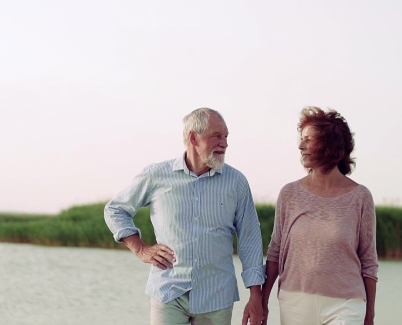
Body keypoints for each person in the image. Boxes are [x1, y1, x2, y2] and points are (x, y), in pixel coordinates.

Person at [104, 108, 266, 325]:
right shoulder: (156, 175)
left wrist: (256, 297)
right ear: (193, 137)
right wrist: (141, 249)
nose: (225, 143)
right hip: (168, 292)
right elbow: (115, 209)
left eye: (226, 136)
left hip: (217, 297)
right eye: (217, 136)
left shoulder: (236, 182)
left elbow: (250, 239)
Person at [261, 106, 378, 325]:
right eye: (301, 139)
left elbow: (369, 261)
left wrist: (369, 314)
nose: (300, 145)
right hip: (295, 301)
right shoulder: (289, 194)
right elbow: (275, 252)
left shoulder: (360, 197)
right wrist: (262, 301)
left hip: (346, 303)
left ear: (329, 144)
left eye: (308, 139)